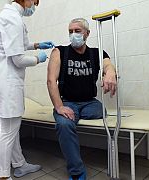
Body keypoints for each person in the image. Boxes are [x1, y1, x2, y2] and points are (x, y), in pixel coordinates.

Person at [0, 0, 54, 179]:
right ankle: (3, 176)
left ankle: (20, 164)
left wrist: (36, 45)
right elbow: (18, 59)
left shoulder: (11, 16)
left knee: (10, 128)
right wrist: (38, 58)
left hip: (0, 77)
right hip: (6, 79)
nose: (34, 7)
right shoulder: (12, 18)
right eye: (35, 2)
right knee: (8, 131)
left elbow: (14, 44)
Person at [47, 18, 117, 180]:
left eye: (77, 31)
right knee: (64, 124)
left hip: (90, 103)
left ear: (87, 33)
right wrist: (59, 107)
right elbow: (51, 81)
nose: (73, 34)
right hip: (67, 102)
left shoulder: (96, 53)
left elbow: (107, 64)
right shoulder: (60, 52)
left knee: (102, 111)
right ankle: (77, 171)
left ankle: (76, 114)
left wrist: (111, 72)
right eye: (70, 31)